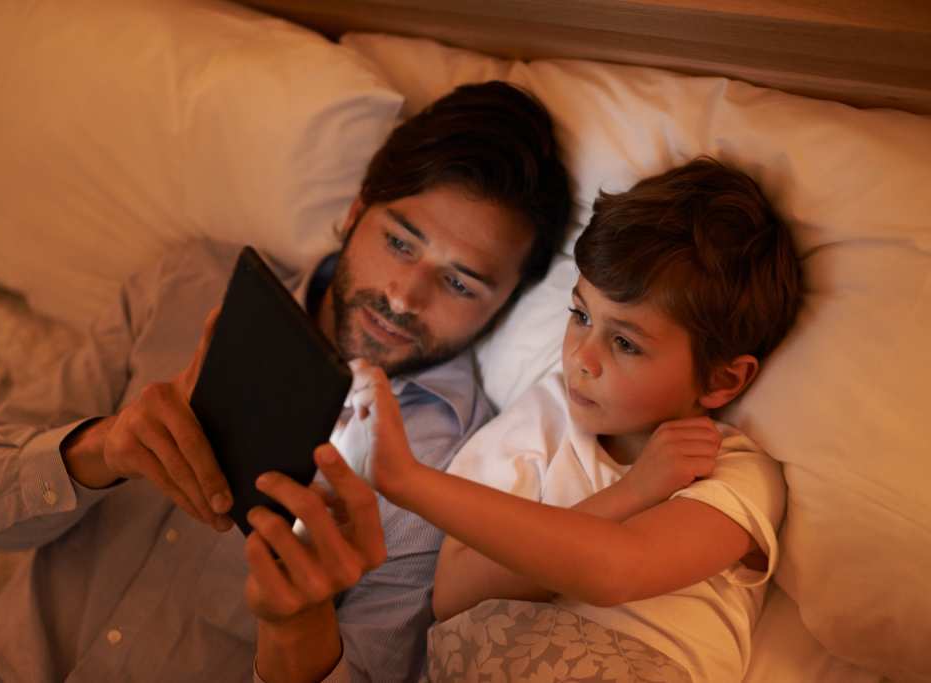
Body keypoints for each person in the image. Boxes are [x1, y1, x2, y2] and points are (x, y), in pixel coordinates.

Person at [0, 81, 572, 683]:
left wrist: (298, 627)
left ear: (506, 305)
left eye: (460, 282)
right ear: (353, 215)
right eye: (400, 242)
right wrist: (99, 450)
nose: (404, 296)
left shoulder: (460, 470)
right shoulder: (187, 289)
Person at [342, 157, 801, 682]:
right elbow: (452, 594)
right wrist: (631, 493)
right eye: (581, 315)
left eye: (626, 343)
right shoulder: (544, 416)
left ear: (723, 380)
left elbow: (617, 570)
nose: (582, 355)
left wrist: (409, 482)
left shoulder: (732, 471)